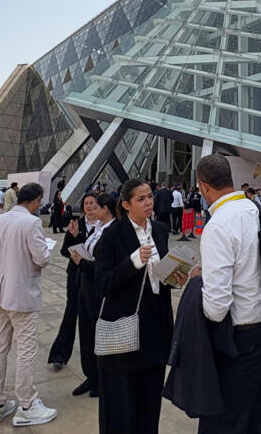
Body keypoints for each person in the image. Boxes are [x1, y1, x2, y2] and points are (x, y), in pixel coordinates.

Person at [188, 154, 261, 432]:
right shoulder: (256, 209)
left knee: (225, 421)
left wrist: (199, 283)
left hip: (238, 340)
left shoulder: (219, 225)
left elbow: (216, 308)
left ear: (203, 186)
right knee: (258, 416)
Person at [94, 179, 172, 434]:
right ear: (126, 204)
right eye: (141, 199)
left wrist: (175, 276)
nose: (149, 202)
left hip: (156, 325)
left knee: (150, 402)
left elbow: (159, 277)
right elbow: (102, 284)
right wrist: (132, 262)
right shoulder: (112, 235)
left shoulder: (159, 230)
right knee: (121, 404)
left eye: (150, 196)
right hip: (125, 330)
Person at [0, 182, 57, 427]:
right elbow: (42, 258)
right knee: (26, 348)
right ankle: (27, 404)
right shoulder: (31, 223)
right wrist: (44, 249)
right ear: (35, 201)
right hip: (21, 294)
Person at [72, 193, 117, 399]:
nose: (91, 209)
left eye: (95, 206)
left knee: (98, 334)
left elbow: (104, 265)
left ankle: (102, 378)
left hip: (98, 290)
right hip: (85, 287)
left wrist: (83, 263)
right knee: (86, 333)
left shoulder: (113, 231)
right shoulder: (97, 228)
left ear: (105, 209)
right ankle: (90, 375)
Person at [48, 193, 98, 373]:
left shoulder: (104, 226)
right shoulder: (76, 224)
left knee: (92, 318)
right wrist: (75, 237)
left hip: (94, 277)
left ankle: (95, 358)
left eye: (93, 203)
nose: (89, 206)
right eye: (86, 203)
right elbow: (64, 250)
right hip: (76, 275)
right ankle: (60, 354)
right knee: (71, 312)